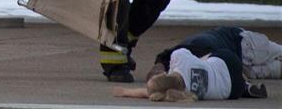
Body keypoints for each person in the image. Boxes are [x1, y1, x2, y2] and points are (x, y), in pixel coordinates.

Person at [113, 47, 267, 101]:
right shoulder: (179, 58)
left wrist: (126, 92)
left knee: (208, 72)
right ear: (163, 75)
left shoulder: (181, 95)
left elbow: (149, 93)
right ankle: (246, 77)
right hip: (228, 63)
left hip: (233, 91)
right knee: (204, 59)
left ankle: (245, 87)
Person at [148, 27, 282, 81]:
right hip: (240, 61)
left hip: (244, 43)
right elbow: (162, 58)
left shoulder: (197, 49)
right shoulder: (175, 56)